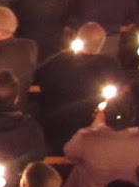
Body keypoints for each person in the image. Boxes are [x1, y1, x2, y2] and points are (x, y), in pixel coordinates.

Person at [34, 22, 123, 150]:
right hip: (93, 134)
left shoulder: (59, 61)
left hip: (56, 128)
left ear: (78, 39)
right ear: (102, 44)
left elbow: (38, 77)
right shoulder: (112, 66)